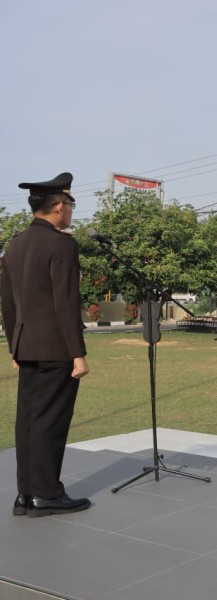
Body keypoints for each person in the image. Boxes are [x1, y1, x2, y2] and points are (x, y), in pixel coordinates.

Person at [1, 171, 91, 517]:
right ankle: (47, 494)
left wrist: (15, 345)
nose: (70, 211)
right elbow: (65, 302)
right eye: (70, 204)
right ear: (58, 206)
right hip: (56, 348)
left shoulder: (16, 244)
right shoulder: (62, 244)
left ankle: (26, 494)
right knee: (50, 422)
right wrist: (78, 353)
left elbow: (8, 301)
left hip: (27, 345)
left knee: (28, 420)